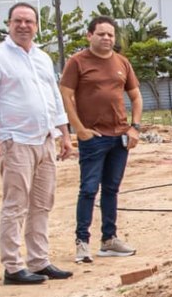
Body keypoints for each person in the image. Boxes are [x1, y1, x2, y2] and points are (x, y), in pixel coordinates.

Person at [0, 2, 74, 285]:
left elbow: (54, 99)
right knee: (16, 204)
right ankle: (13, 266)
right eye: (18, 21)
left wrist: (64, 134)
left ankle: (39, 261)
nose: (24, 26)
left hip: (45, 140)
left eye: (29, 21)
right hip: (15, 140)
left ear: (37, 26)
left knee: (42, 204)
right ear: (8, 24)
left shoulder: (42, 58)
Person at [59, 15, 143, 264]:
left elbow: (136, 97)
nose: (106, 38)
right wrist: (79, 130)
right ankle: (82, 242)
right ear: (89, 35)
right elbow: (66, 96)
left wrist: (134, 127)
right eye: (101, 34)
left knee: (111, 189)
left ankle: (109, 239)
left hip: (120, 138)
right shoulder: (77, 62)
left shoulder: (122, 63)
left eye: (110, 35)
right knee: (88, 189)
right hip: (93, 138)